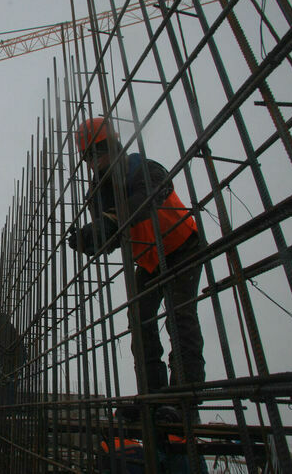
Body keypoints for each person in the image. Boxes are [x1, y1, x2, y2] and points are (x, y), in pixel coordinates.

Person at [67, 117, 205, 394]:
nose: (96, 160)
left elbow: (155, 191)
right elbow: (115, 236)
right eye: (89, 156)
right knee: (139, 320)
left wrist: (111, 221)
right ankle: (152, 396)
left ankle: (185, 396)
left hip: (181, 244)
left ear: (115, 144)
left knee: (180, 317)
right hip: (150, 261)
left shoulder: (140, 167)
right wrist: (94, 240)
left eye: (101, 149)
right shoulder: (95, 194)